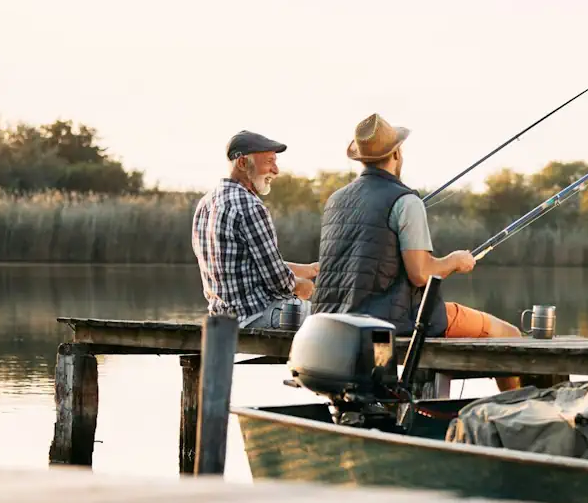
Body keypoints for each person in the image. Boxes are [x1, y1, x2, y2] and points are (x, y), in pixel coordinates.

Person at [311, 113, 522, 391]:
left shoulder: (335, 200)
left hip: (335, 320)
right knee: (510, 336)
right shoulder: (406, 201)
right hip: (395, 321)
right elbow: (420, 273)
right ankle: (511, 415)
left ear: (361, 158)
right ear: (396, 154)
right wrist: (455, 261)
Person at [191, 130, 319, 328]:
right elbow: (280, 283)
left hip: (222, 320)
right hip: (257, 316)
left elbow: (248, 264)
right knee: (334, 319)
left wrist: (309, 269)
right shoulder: (250, 206)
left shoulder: (205, 203)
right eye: (269, 161)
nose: (276, 170)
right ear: (242, 163)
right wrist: (304, 286)